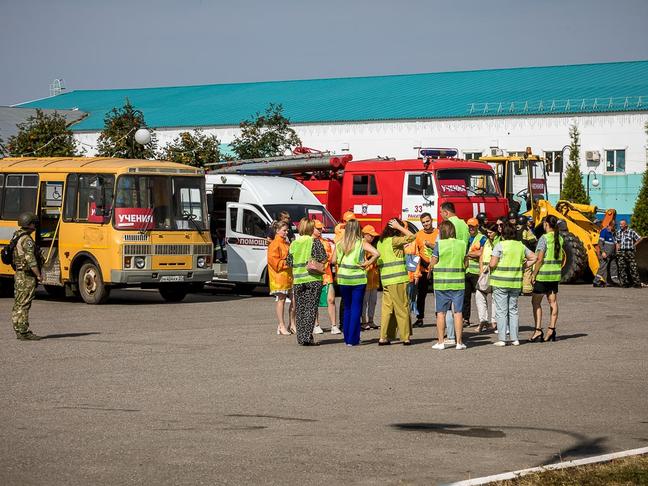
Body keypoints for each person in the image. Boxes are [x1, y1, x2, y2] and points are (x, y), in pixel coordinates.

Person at [489, 222, 537, 346]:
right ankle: (515, 338)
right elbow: (534, 257)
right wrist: (522, 266)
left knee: (501, 311)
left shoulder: (500, 245)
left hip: (500, 282)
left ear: (503, 233)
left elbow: (492, 264)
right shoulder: (520, 246)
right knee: (513, 310)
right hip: (515, 282)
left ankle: (502, 338)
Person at [336, 219, 379, 346]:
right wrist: (367, 263)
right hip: (358, 278)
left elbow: (333, 259)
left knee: (347, 307)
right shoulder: (361, 243)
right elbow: (376, 253)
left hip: (343, 278)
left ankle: (347, 337)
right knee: (356, 307)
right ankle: (353, 339)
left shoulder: (340, 243)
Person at [287, 217, 328, 346]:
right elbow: (322, 258)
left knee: (300, 309)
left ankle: (301, 337)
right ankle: (306, 337)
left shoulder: (294, 243)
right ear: (311, 228)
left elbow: (289, 262)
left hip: (298, 280)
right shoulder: (314, 242)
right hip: (312, 279)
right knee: (310, 308)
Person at [428, 221, 467, 350]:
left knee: (441, 313)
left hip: (442, 284)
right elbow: (466, 263)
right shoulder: (462, 244)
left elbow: (433, 263)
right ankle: (459, 342)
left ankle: (440, 342)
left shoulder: (439, 244)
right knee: (458, 312)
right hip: (458, 283)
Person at [377, 218, 415, 345]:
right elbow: (412, 236)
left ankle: (383, 337)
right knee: (402, 308)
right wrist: (399, 227)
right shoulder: (394, 240)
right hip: (398, 279)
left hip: (386, 280)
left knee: (387, 309)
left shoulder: (381, 242)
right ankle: (405, 337)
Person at [529, 215, 562, 343]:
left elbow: (539, 259)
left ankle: (538, 330)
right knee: (552, 302)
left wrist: (534, 274)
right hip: (554, 275)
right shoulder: (559, 238)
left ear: (546, 224)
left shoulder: (544, 238)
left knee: (536, 302)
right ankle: (551, 329)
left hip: (543, 275)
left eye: (544, 223)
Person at [11, 212, 44, 341]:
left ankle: (18, 329)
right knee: (24, 304)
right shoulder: (27, 240)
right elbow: (31, 260)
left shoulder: (17, 235)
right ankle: (24, 332)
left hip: (19, 274)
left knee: (18, 303)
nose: (35, 226)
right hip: (26, 276)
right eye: (33, 223)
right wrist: (39, 275)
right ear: (29, 224)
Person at [267, 221, 295, 335]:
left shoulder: (286, 243)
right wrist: (288, 262)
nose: (286, 232)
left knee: (294, 300)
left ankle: (292, 324)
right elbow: (274, 262)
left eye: (287, 230)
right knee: (281, 300)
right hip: (279, 278)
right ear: (277, 231)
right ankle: (281, 325)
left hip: (289, 276)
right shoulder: (274, 244)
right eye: (284, 230)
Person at [313, 219, 341, 334]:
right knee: (314, 301)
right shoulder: (309, 242)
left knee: (331, 299)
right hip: (315, 275)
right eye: (318, 229)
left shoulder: (325, 242)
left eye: (321, 228)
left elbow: (330, 258)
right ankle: (316, 325)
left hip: (327, 275)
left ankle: (334, 325)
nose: (321, 230)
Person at [412, 212, 438, 327]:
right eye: (423, 222)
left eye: (427, 221)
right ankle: (419, 318)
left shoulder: (438, 233)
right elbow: (414, 253)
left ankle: (440, 316)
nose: (426, 224)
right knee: (421, 295)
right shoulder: (418, 235)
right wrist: (415, 271)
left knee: (438, 294)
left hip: (436, 268)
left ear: (431, 220)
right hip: (423, 269)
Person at [463, 218, 487, 326]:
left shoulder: (482, 238)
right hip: (466, 270)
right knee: (465, 297)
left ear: (477, 226)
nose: (471, 228)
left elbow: (481, 253)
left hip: (476, 271)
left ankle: (483, 320)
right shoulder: (466, 237)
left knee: (480, 296)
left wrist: (468, 254)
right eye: (469, 226)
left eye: (473, 226)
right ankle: (465, 319)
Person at [476, 222, 500, 332]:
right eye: (488, 232)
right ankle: (483, 320)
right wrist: (481, 271)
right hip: (485, 271)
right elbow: (481, 257)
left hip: (495, 271)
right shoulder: (486, 241)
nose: (489, 234)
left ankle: (494, 321)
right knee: (479, 293)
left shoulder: (499, 241)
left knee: (495, 296)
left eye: (491, 232)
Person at [361, 225, 380, 330]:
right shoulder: (362, 245)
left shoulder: (371, 246)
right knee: (364, 301)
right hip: (366, 277)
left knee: (373, 301)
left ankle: (371, 320)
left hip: (374, 277)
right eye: (371, 236)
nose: (373, 238)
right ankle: (363, 321)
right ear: (366, 235)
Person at [614, 219, 644, 288]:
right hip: (621, 252)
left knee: (633, 267)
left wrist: (634, 245)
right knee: (622, 268)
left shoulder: (631, 231)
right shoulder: (618, 232)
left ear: (626, 225)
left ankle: (637, 283)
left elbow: (640, 238)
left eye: (622, 224)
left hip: (630, 251)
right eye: (620, 224)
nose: (620, 225)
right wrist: (617, 250)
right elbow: (617, 242)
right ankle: (625, 283)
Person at [593, 220, 616, 287]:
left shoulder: (613, 232)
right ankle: (596, 281)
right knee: (602, 268)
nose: (614, 228)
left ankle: (612, 281)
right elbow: (600, 242)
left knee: (612, 268)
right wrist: (602, 252)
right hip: (605, 253)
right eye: (614, 226)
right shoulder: (604, 231)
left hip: (612, 254)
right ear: (610, 225)